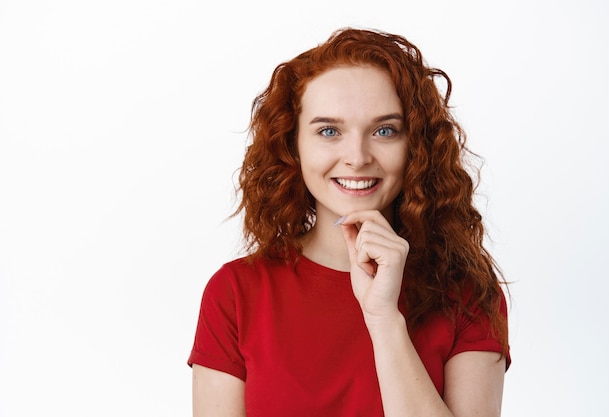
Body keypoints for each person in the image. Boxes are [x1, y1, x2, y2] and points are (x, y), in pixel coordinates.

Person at [188, 27, 511, 417]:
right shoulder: (235, 293)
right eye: (329, 131)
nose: (357, 156)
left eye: (384, 130)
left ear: (416, 146)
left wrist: (384, 319)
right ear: (293, 144)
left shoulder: (469, 295)